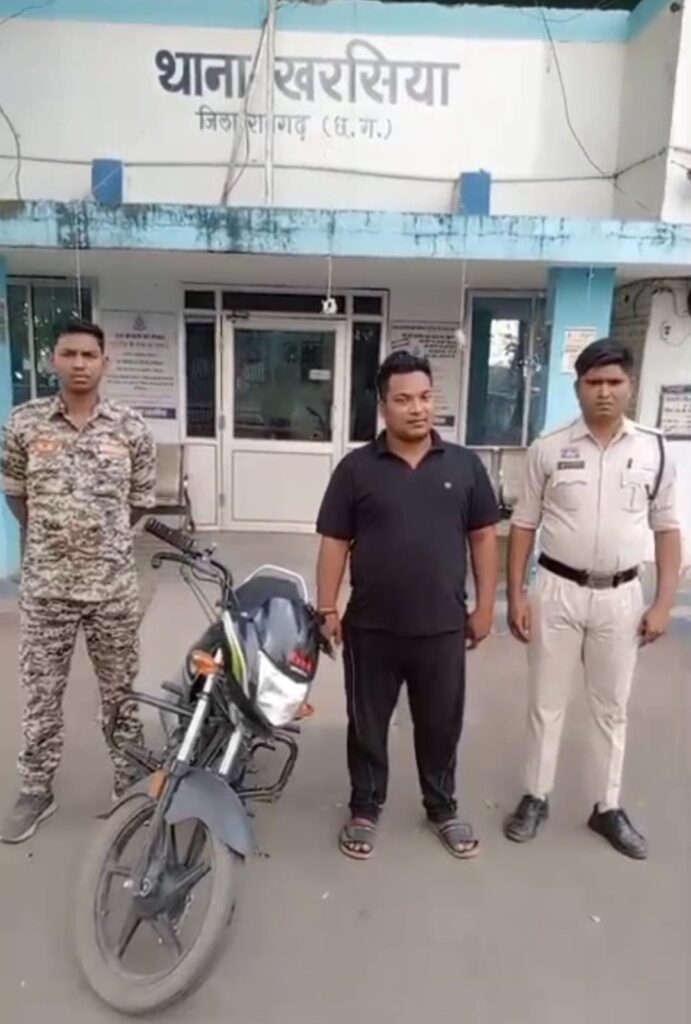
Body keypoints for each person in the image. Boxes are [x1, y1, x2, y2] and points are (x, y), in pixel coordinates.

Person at [316, 350, 500, 860]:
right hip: (370, 628)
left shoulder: (464, 465)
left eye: (424, 397)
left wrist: (486, 606)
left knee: (441, 724)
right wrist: (327, 608)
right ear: (383, 407)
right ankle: (365, 807)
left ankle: (442, 807)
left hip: (442, 626)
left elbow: (484, 537)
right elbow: (334, 541)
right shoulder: (356, 469)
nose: (417, 408)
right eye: (403, 400)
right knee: (367, 725)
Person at [504, 339, 681, 859]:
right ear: (578, 386)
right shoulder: (549, 447)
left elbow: (668, 530)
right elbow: (523, 525)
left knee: (611, 707)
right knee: (546, 702)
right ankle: (535, 796)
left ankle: (607, 806)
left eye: (614, 382)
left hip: (622, 595)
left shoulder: (654, 449)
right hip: (556, 590)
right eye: (594, 382)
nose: (604, 392)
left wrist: (663, 602)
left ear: (631, 385)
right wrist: (516, 595)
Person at [0, 320, 157, 844]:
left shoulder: (131, 427)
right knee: (41, 695)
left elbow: (139, 502)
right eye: (69, 353)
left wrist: (98, 543)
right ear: (54, 361)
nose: (79, 363)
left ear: (105, 362)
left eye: (89, 355)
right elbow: (15, 492)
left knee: (121, 694)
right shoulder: (25, 423)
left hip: (111, 589)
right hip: (47, 590)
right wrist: (56, 541)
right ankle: (36, 789)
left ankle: (129, 781)